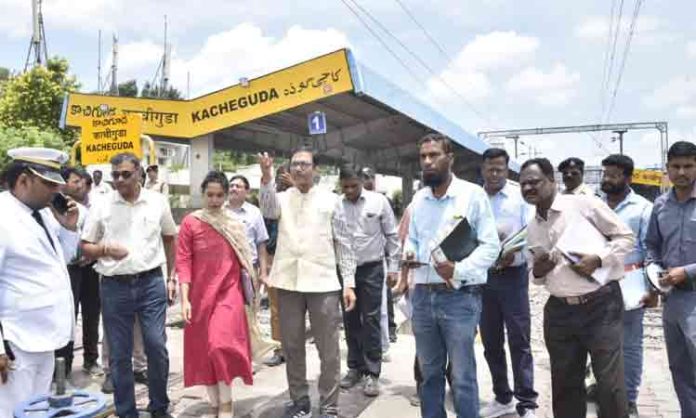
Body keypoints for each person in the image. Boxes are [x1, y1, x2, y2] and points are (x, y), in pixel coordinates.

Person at [520, 157, 634, 418]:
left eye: (534, 182)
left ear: (551, 181)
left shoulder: (584, 204)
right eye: (523, 184)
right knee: (564, 384)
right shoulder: (533, 226)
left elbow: (625, 236)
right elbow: (536, 276)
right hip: (560, 312)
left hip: (600, 306)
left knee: (609, 385)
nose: (528, 188)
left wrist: (598, 259)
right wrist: (539, 270)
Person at [399, 133, 500, 418]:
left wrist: (459, 270)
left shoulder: (472, 195)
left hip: (460, 297)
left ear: (450, 159)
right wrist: (409, 251)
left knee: (463, 376)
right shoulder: (419, 199)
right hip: (423, 296)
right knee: (429, 374)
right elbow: (414, 239)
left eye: (434, 155)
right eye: (423, 157)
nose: (428, 161)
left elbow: (491, 246)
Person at [258, 146, 357, 418]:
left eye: (305, 164)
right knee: (292, 345)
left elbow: (344, 244)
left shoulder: (331, 200)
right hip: (288, 281)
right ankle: (300, 400)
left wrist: (348, 283)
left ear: (316, 170)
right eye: (295, 164)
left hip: (323, 282)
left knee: (329, 348)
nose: (300, 168)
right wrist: (266, 175)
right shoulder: (281, 198)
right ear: (289, 170)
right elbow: (266, 208)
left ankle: (329, 406)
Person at [81, 152, 177, 418]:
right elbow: (86, 246)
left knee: (156, 346)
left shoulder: (157, 202)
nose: (119, 180)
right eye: (115, 175)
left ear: (139, 174)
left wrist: (172, 277)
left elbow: (170, 237)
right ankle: (126, 412)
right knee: (120, 354)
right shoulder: (102, 205)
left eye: (125, 174)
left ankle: (159, 407)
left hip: (151, 283)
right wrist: (105, 248)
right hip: (114, 287)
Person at [0, 147, 79, 418]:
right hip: (16, 343)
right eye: (47, 184)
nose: (54, 192)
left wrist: (69, 228)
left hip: (45, 337)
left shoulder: (43, 214)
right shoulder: (2, 216)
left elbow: (61, 263)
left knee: (36, 411)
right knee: (12, 412)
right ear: (23, 180)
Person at [177, 171, 254, 418]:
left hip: (229, 292)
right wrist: (185, 298)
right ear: (202, 194)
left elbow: (245, 258)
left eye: (219, 195)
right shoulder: (191, 222)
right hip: (200, 295)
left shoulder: (233, 223)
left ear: (226, 195)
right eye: (210, 195)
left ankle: (227, 404)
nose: (214, 200)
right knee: (203, 350)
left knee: (220, 345)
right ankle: (213, 404)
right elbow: (184, 261)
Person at [478, 148, 538, 418]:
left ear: (507, 170)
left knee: (519, 340)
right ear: (482, 169)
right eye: (490, 169)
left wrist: (515, 255)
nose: (494, 174)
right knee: (490, 341)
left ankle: (526, 403)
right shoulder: (474, 198)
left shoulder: (520, 198)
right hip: (482, 278)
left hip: (513, 278)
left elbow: (533, 236)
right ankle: (502, 397)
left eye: (499, 169)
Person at [338, 165, 400, 397]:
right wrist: (345, 278)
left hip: (372, 269)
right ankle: (355, 368)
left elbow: (392, 236)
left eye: (354, 186)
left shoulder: (378, 202)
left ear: (362, 182)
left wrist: (393, 267)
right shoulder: (337, 205)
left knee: (372, 320)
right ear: (340, 185)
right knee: (350, 319)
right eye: (345, 187)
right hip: (346, 270)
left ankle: (372, 373)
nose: (351, 191)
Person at [645, 141, 696, 418]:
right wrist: (654, 272)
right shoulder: (661, 204)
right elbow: (652, 244)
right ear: (667, 169)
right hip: (673, 299)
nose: (682, 172)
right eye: (676, 166)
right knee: (680, 368)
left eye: (688, 165)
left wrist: (686, 271)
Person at [600, 154, 653, 418]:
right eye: (605, 173)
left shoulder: (642, 208)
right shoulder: (594, 205)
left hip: (629, 284)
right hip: (596, 284)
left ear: (628, 178)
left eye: (614, 174)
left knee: (629, 345)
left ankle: (629, 399)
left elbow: (650, 249)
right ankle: (605, 394)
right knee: (599, 343)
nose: (607, 179)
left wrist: (650, 288)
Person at [54, 167, 103, 378]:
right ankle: (63, 366)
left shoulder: (90, 208)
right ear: (63, 183)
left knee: (92, 314)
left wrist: (92, 254)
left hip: (91, 268)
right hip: (68, 270)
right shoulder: (52, 206)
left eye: (81, 181)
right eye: (74, 181)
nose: (79, 184)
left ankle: (91, 359)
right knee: (68, 316)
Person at [226, 174, 280, 363]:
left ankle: (246, 357)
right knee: (228, 314)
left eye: (238, 186)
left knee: (248, 315)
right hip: (224, 272)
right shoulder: (219, 211)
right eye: (231, 185)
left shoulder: (254, 213)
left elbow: (261, 245)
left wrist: (263, 273)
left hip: (248, 272)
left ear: (247, 191)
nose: (233, 189)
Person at [361, 167, 398, 345]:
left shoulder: (382, 201)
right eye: (364, 177)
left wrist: (393, 266)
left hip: (379, 261)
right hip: (357, 264)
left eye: (370, 177)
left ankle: (385, 338)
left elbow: (392, 234)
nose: (367, 181)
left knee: (382, 305)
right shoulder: (348, 202)